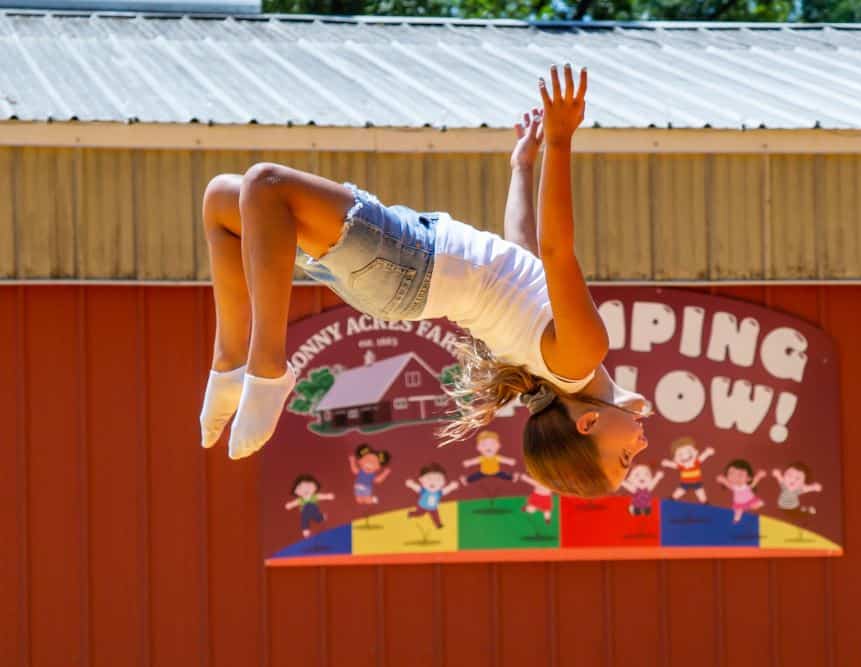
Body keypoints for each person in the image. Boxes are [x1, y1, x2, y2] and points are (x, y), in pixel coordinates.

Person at [198, 65, 650, 497]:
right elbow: (525, 253)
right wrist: (523, 168)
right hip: (395, 277)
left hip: (408, 261)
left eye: (626, 456)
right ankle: (229, 364)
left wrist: (561, 140)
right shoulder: (553, 377)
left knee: (267, 183)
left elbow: (557, 250)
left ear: (587, 424)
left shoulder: (582, 354)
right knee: (224, 203)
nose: (642, 446)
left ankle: (267, 370)